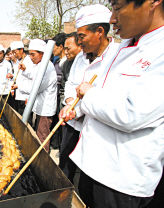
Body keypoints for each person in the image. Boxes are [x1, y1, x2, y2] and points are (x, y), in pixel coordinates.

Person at [60, 0, 164, 207]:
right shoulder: (125, 46)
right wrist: (75, 108)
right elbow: (100, 92)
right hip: (93, 165)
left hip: (121, 179)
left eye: (117, 7)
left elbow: (131, 114)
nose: (112, 19)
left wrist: (87, 95)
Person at [59, 4, 119, 183]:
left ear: (99, 31)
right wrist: (70, 103)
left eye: (82, 36)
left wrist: (77, 109)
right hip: (72, 125)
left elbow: (106, 98)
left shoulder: (117, 57)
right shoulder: (80, 57)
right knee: (64, 167)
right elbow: (71, 83)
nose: (79, 42)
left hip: (98, 131)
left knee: (89, 178)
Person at [18, 39, 57, 153]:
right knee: (38, 133)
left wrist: (19, 86)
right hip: (40, 106)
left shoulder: (47, 67)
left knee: (42, 135)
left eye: (33, 54)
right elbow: (33, 76)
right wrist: (25, 71)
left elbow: (36, 88)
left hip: (45, 108)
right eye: (29, 54)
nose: (30, 57)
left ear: (42, 54)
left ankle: (42, 159)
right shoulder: (40, 64)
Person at [58, 32, 82, 180]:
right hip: (69, 115)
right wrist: (68, 102)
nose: (65, 52)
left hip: (85, 117)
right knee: (65, 154)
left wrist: (77, 110)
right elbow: (67, 85)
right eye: (64, 49)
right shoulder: (67, 64)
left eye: (68, 48)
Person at [10, 41, 34, 115]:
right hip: (19, 95)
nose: (14, 55)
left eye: (15, 52)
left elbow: (32, 77)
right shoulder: (17, 62)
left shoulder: (30, 61)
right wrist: (12, 76)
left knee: (26, 119)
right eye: (13, 53)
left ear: (21, 50)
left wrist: (18, 86)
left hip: (26, 96)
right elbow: (19, 76)